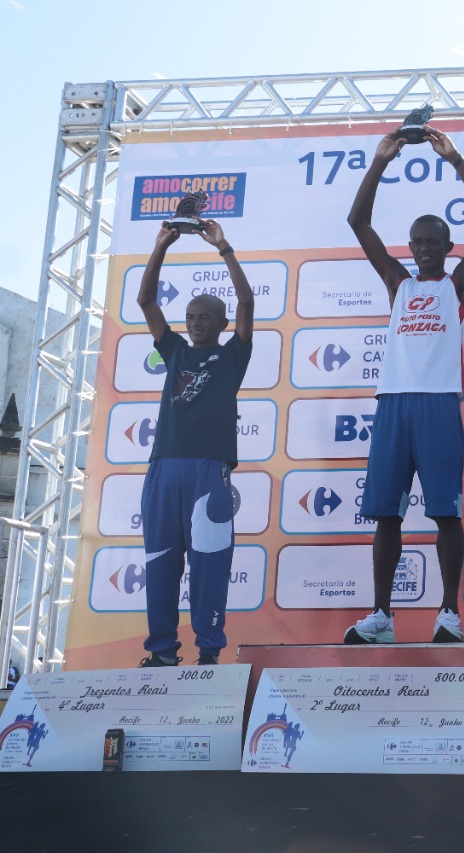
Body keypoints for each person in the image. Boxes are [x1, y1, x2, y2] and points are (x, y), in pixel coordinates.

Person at [343, 127, 464, 644]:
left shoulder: (459, 284)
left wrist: (454, 158)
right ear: (409, 247)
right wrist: (380, 161)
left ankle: (448, 614)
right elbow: (358, 221)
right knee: (386, 513)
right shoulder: (397, 283)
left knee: (444, 514)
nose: (426, 249)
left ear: (449, 248)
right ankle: (382, 615)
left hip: (436, 406)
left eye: (435, 242)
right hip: (393, 406)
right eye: (418, 241)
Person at [136, 218, 254, 666]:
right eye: (190, 317)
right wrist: (161, 246)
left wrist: (224, 248)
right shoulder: (174, 350)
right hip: (164, 467)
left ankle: (208, 655)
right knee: (161, 562)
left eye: (205, 317)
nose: (196, 323)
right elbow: (146, 299)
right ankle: (163, 652)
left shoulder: (233, 354)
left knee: (209, 564)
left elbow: (245, 299)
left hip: (210, 470)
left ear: (223, 323)